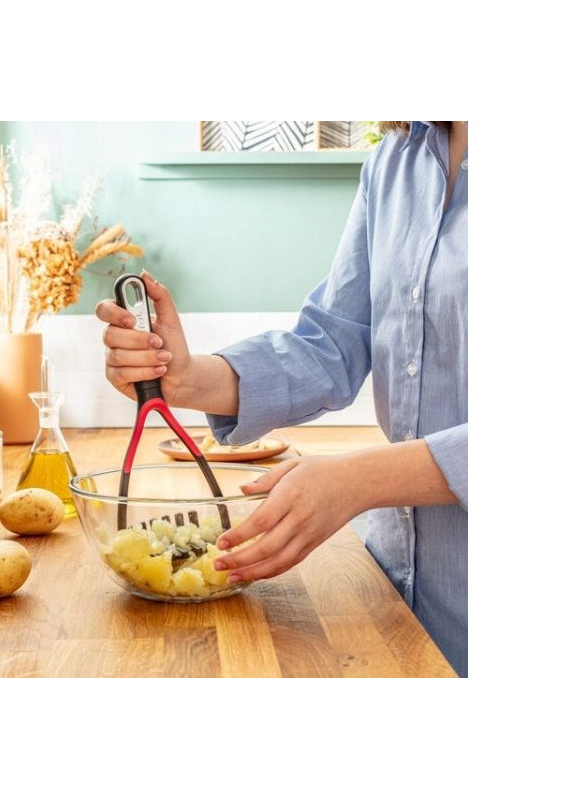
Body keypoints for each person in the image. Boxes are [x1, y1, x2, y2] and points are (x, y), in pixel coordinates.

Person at [96, 121, 468, 677]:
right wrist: (188, 376)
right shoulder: (395, 161)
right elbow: (332, 344)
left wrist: (361, 480)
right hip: (393, 593)